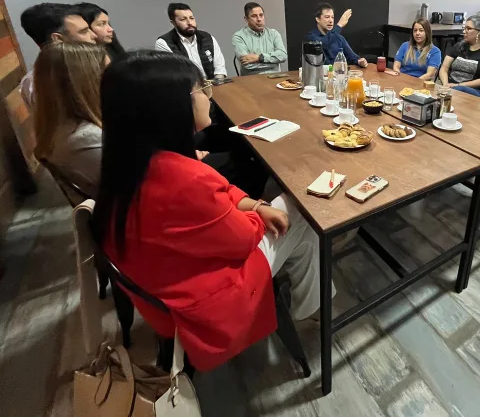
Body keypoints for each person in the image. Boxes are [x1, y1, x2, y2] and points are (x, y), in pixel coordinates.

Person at [91, 51, 331, 371]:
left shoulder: (132, 161)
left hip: (164, 283)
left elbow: (220, 189)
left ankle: (314, 301)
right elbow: (243, 238)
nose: (208, 95)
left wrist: (254, 204)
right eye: (200, 89)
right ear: (170, 108)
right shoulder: (184, 179)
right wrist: (257, 212)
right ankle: (313, 304)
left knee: (296, 229)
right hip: (203, 301)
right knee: (302, 207)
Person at [33, 42, 108, 199]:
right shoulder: (87, 138)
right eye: (109, 73)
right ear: (87, 83)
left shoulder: (60, 126)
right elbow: (139, 183)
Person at [18, 3, 97, 107]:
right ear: (58, 39)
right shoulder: (35, 86)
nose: (94, 35)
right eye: (84, 31)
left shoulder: (96, 65)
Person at [155, 3, 227, 79]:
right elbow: (171, 75)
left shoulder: (207, 38)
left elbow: (220, 68)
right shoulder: (164, 43)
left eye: (191, 18)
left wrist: (218, 83)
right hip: (185, 85)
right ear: (173, 23)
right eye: (183, 19)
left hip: (213, 83)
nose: (189, 23)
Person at [438, 15, 480, 97]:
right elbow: (444, 68)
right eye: (464, 28)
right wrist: (446, 84)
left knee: (458, 90)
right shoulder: (458, 46)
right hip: (451, 87)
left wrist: (458, 85)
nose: (464, 31)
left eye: (469, 29)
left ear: (479, 32)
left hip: (474, 91)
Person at [304, 3, 368, 67]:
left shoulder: (339, 37)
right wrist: (339, 25)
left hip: (338, 72)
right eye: (327, 17)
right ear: (317, 19)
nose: (331, 20)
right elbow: (324, 44)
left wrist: (359, 61)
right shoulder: (310, 37)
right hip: (319, 72)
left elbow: (352, 57)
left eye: (332, 17)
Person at [232, 2, 287, 75]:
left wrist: (260, 58)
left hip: (275, 78)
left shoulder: (274, 34)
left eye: (261, 15)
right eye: (254, 16)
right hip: (252, 79)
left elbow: (283, 56)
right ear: (246, 19)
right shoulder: (239, 36)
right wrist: (274, 62)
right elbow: (247, 65)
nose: (259, 19)